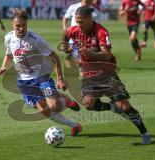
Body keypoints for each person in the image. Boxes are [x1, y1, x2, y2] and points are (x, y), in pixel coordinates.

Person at [63, 6, 150, 144]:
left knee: (125, 107)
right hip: (89, 73)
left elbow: (108, 55)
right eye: (77, 22)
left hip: (107, 72)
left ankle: (144, 132)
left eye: (81, 22)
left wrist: (92, 54)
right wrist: (68, 49)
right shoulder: (73, 30)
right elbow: (66, 36)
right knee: (88, 104)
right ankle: (111, 107)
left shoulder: (101, 31)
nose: (79, 25)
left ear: (90, 19)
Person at [0, 8, 82, 136]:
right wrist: (4, 66)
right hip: (24, 82)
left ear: (27, 24)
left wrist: (59, 78)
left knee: (55, 106)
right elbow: (9, 55)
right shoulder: (8, 38)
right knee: (44, 110)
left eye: (24, 25)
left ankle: (66, 101)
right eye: (18, 26)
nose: (21, 29)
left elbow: (54, 57)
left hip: (42, 77)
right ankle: (75, 126)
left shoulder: (35, 39)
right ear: (12, 24)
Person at [62, 0, 101, 68]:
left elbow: (97, 27)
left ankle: (71, 62)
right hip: (74, 39)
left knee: (83, 63)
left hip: (87, 40)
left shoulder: (95, 11)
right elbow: (65, 18)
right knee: (81, 63)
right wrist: (65, 28)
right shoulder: (73, 7)